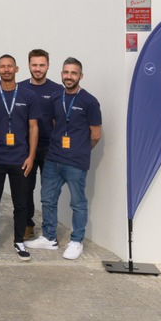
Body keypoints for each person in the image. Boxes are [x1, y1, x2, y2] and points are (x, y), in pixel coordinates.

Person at [25, 58, 102, 260]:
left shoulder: (89, 101)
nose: (69, 76)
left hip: (76, 162)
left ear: (81, 76)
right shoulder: (56, 97)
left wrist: (81, 149)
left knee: (78, 203)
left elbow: (96, 134)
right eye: (66, 72)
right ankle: (49, 237)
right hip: (53, 158)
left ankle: (77, 241)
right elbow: (54, 122)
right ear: (61, 74)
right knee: (47, 199)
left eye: (73, 73)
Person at [0, 55, 39, 261]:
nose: (6, 70)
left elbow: (33, 128)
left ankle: (19, 241)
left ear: (17, 69)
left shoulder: (28, 95)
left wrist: (31, 156)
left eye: (10, 67)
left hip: (20, 158)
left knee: (21, 203)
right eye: (2, 67)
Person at [18, 49, 61, 241]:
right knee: (25, 188)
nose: (37, 69)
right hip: (25, 148)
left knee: (49, 191)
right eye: (34, 65)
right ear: (28, 65)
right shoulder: (19, 89)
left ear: (48, 66)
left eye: (41, 65)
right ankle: (27, 224)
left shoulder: (58, 90)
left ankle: (49, 229)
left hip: (50, 148)